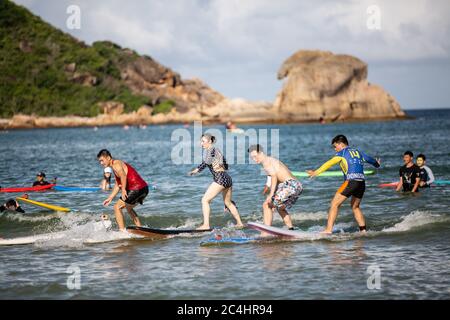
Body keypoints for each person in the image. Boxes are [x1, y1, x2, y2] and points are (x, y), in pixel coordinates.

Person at [307, 134, 380, 234]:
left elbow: (329, 163)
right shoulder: (358, 152)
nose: (335, 149)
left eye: (335, 146)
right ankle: (363, 231)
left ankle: (328, 230)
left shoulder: (342, 153)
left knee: (334, 204)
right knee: (355, 207)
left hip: (351, 181)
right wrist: (377, 164)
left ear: (341, 144)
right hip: (361, 183)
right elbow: (370, 160)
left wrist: (316, 172)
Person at [189, 134, 243, 230]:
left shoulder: (211, 150)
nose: (201, 144)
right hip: (227, 178)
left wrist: (196, 170)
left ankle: (206, 225)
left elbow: (205, 163)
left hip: (220, 178)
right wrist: (219, 165)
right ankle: (240, 223)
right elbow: (226, 166)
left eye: (203, 141)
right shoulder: (217, 150)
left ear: (209, 141)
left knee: (205, 200)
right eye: (201, 141)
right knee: (228, 203)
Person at [248, 144, 302, 229]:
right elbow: (277, 179)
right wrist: (273, 199)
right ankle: (291, 228)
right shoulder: (271, 160)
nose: (254, 159)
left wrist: (270, 195)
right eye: (252, 158)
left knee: (266, 204)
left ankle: (266, 229)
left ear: (261, 153)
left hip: (290, 185)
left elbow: (274, 177)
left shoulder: (266, 162)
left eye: (255, 156)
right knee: (278, 208)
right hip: (297, 186)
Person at [97, 149, 149, 231]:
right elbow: (118, 184)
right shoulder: (114, 167)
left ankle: (122, 231)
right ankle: (140, 229)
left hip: (136, 188)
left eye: (102, 160)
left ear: (108, 157)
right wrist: (110, 198)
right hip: (144, 188)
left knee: (117, 207)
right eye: (99, 161)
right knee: (128, 208)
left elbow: (123, 176)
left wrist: (124, 190)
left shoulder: (116, 164)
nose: (101, 163)